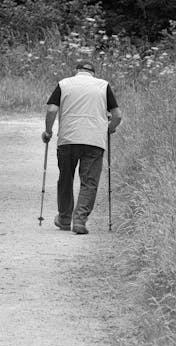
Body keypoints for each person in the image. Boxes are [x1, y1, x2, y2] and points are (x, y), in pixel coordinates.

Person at [42, 61, 122, 234]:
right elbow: (117, 115)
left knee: (65, 179)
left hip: (68, 139)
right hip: (94, 140)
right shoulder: (103, 86)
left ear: (76, 71)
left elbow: (51, 110)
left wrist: (48, 132)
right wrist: (109, 128)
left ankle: (64, 219)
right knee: (89, 182)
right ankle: (79, 221)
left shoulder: (64, 84)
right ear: (93, 73)